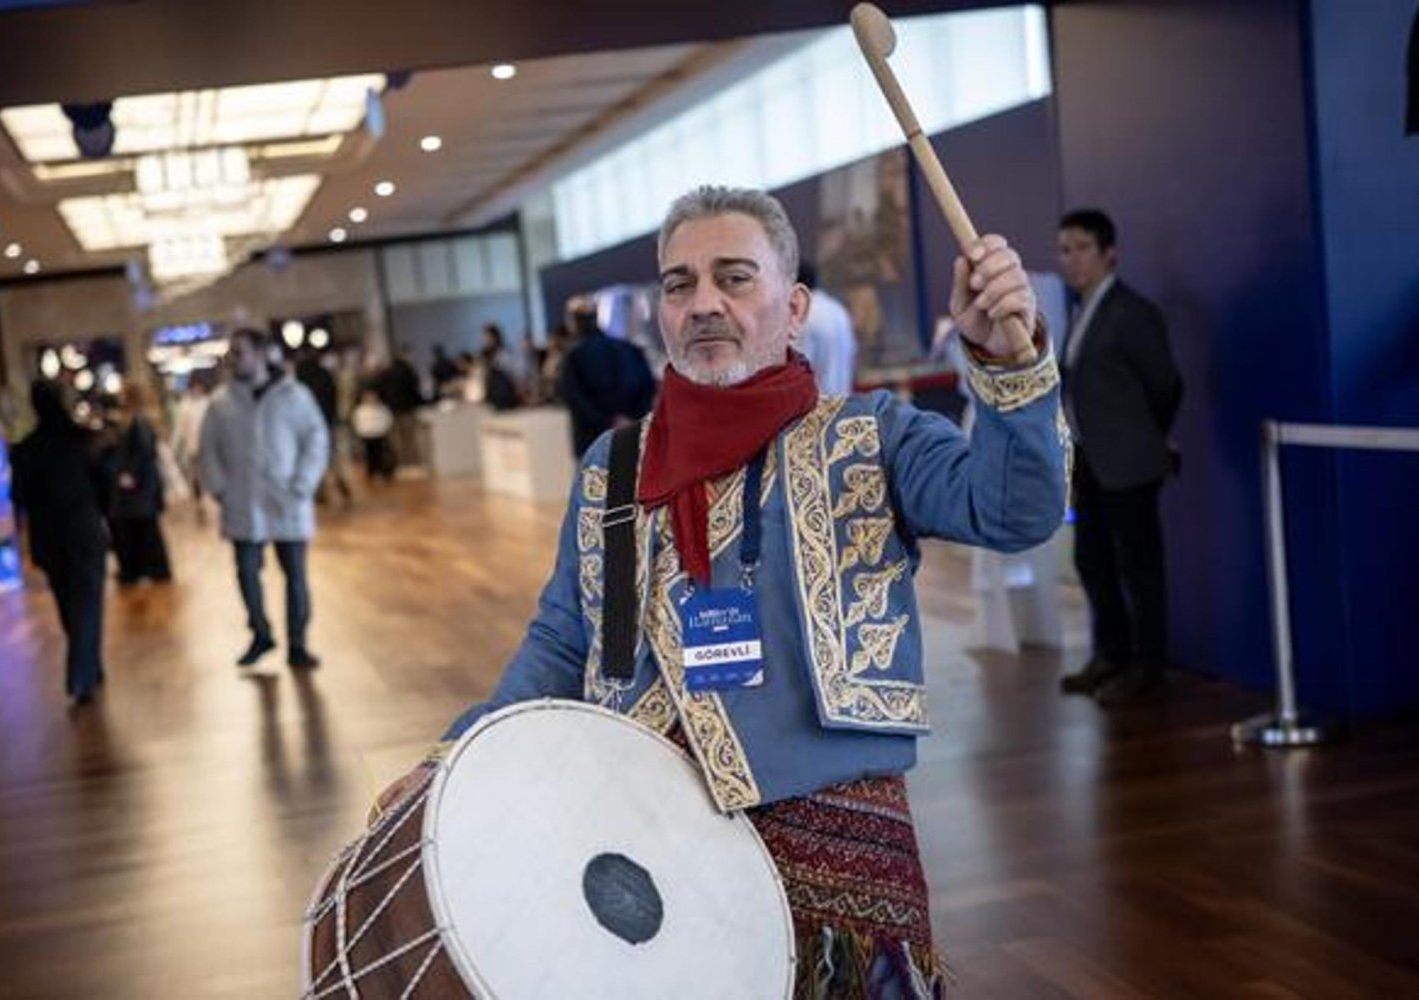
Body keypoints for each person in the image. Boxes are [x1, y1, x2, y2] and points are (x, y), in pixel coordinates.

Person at [375, 186, 1068, 994]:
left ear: (794, 303)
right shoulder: (613, 466)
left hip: (836, 843)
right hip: (641, 834)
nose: (703, 303)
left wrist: (1010, 366)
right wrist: (454, 760)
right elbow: (565, 640)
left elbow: (1016, 510)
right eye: (680, 284)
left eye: (734, 278)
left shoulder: (871, 436)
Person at [1054, 209, 1182, 705]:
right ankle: (1111, 654)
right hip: (1089, 460)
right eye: (1064, 249)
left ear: (1110, 253)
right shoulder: (1082, 311)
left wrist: (1144, 437)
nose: (1071, 259)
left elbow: (1165, 385)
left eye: (1082, 247)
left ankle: (1149, 666)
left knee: (1140, 568)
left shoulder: (1133, 312)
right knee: (1093, 561)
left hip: (1128, 463)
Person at [199, 328, 329, 672]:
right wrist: (218, 487)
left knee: (295, 576)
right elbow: (207, 449)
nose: (233, 359)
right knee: (246, 572)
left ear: (260, 354)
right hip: (241, 500)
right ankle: (260, 633)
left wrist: (303, 483)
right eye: (232, 353)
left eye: (240, 352)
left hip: (287, 498)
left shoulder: (294, 395)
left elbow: (316, 439)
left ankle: (298, 644)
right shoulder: (221, 402)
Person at [11, 380, 110, 706]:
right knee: (87, 600)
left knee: (69, 602)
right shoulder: (80, 440)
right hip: (83, 531)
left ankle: (88, 667)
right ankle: (83, 671)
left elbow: (19, 497)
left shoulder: (26, 449)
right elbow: (102, 485)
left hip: (49, 537)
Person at [558, 296, 658, 457]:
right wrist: (631, 419)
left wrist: (608, 422)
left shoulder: (573, 356)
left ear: (573, 321)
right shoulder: (629, 348)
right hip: (631, 438)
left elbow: (573, 398)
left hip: (593, 443)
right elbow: (648, 387)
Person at [103, 381, 172, 584]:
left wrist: (128, 474)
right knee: (144, 530)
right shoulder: (141, 419)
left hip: (138, 489)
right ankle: (147, 569)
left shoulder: (137, 421)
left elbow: (142, 453)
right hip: (143, 488)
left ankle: (142, 570)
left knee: (141, 530)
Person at [295, 347, 353, 504]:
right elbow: (334, 397)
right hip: (327, 422)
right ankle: (341, 484)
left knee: (313, 458)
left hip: (308, 425)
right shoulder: (325, 374)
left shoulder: (299, 378)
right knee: (332, 456)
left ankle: (320, 492)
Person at [795, 261, 857, 395]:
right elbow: (852, 353)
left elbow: (799, 366)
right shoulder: (838, 309)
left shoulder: (805, 314)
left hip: (818, 408)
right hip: (844, 401)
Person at [169, 376, 212, 522]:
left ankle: (211, 503)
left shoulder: (209, 403)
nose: (196, 390)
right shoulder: (184, 406)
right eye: (194, 387)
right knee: (197, 479)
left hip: (211, 450)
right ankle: (201, 504)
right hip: (194, 449)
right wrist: (173, 449)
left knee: (210, 477)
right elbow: (179, 430)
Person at [350, 388, 396, 483]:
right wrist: (359, 431)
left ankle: (381, 472)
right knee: (369, 454)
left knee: (379, 454)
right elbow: (356, 422)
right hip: (366, 435)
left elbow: (388, 419)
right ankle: (371, 471)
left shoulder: (382, 409)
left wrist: (384, 430)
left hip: (379, 434)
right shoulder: (360, 410)